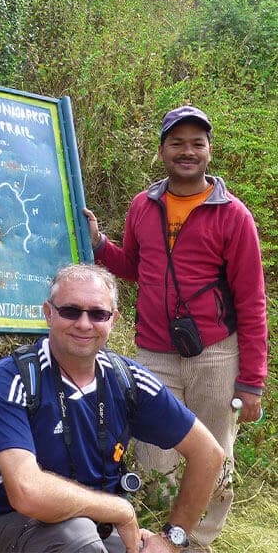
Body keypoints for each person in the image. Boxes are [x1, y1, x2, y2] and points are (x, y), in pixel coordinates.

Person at [83, 105, 268, 552]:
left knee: (216, 454)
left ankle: (195, 541)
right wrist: (101, 246)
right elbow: (134, 266)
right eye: (177, 143)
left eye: (197, 143)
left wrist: (253, 382)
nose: (187, 152)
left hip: (217, 354)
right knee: (152, 452)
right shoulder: (143, 206)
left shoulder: (233, 215)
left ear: (209, 150)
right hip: (153, 353)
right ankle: (153, 533)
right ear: (162, 150)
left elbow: (252, 300)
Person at [0, 263, 224, 553]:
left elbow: (208, 453)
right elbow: (26, 492)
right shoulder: (13, 377)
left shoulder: (127, 379)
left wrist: (171, 540)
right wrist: (120, 510)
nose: (84, 323)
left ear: (113, 320)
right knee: (78, 537)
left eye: (98, 314)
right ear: (48, 313)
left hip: (99, 526)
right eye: (70, 311)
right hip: (15, 522)